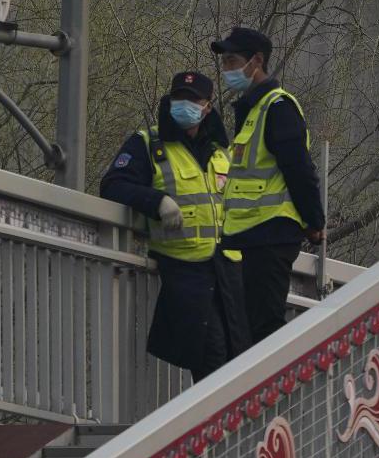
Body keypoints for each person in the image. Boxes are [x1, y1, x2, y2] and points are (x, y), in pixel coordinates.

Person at [100, 71, 251, 383]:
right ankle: (214, 429)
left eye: (193, 99)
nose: (185, 105)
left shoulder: (222, 152)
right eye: (179, 98)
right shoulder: (148, 143)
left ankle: (229, 429)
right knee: (214, 361)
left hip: (229, 274)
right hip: (185, 271)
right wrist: (158, 202)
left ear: (208, 106)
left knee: (240, 361)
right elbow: (114, 185)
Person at [211, 27, 326, 344]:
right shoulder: (252, 110)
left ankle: (280, 391)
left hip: (271, 234)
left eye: (232, 60)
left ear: (257, 60)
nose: (226, 70)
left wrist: (315, 223)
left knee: (264, 329)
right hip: (253, 237)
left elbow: (299, 169)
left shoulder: (277, 107)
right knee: (251, 329)